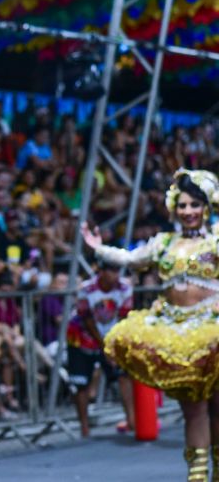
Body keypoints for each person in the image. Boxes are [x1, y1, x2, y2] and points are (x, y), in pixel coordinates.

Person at [83, 169, 219, 479]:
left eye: (195, 205)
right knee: (193, 408)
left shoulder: (217, 240)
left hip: (213, 330)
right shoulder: (163, 243)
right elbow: (130, 259)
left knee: (218, 407)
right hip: (176, 332)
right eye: (182, 205)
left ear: (207, 207)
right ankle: (197, 476)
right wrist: (98, 248)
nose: (188, 212)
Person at [64, 260, 135, 438]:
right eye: (111, 270)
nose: (116, 275)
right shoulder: (86, 289)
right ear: (101, 271)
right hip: (82, 338)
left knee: (123, 375)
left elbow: (124, 317)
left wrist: (112, 345)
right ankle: (85, 428)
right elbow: (86, 319)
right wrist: (103, 344)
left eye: (117, 270)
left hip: (111, 335)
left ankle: (132, 421)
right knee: (81, 383)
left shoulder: (125, 289)